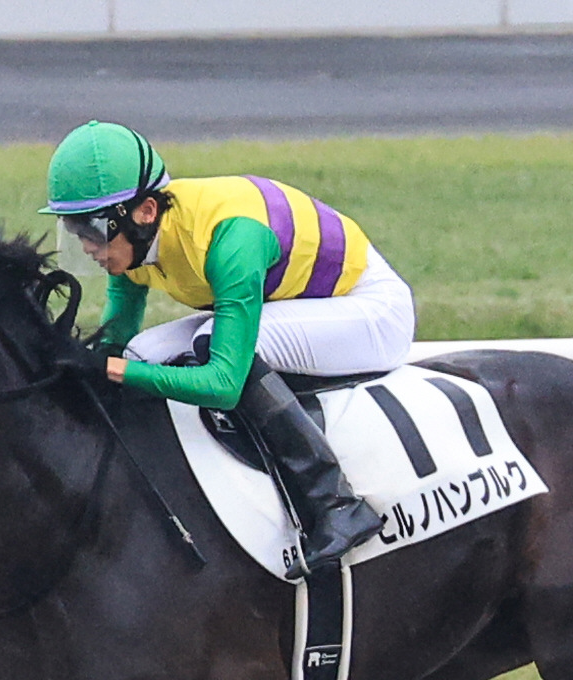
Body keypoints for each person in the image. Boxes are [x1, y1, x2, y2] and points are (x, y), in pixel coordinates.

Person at [40, 120, 417, 577]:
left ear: (143, 212)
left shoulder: (229, 238)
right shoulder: (135, 243)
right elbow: (117, 341)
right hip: (304, 303)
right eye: (76, 229)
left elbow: (223, 384)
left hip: (369, 311)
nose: (88, 246)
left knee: (202, 345)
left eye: (94, 229)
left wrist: (115, 372)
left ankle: (334, 503)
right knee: (142, 351)